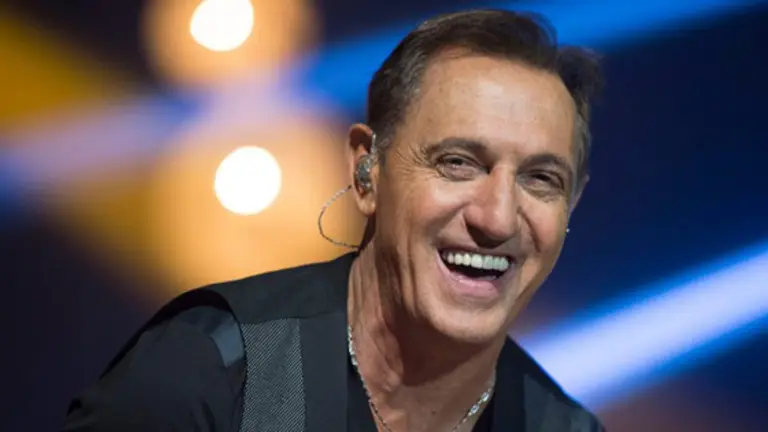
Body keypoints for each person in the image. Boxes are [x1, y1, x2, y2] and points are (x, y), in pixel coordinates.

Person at [63, 8, 605, 432]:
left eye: (541, 179)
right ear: (367, 172)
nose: (497, 217)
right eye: (457, 163)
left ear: (573, 205)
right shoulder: (202, 377)